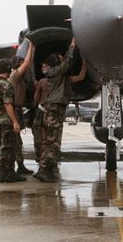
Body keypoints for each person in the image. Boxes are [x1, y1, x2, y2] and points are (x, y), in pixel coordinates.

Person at [35, 39, 87, 182]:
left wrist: (85, 62)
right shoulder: (55, 72)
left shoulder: (59, 76)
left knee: (53, 139)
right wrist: (72, 46)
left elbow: (77, 74)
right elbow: (67, 62)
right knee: (51, 139)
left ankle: (48, 168)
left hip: (56, 107)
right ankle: (44, 170)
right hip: (54, 108)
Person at [0, 58, 26, 183]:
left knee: (4, 146)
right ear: (8, 70)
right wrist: (15, 121)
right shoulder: (5, 84)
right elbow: (8, 104)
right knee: (8, 148)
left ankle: (7, 172)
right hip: (5, 120)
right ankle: (4, 173)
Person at [9, 42, 35, 176]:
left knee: (17, 142)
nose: (24, 65)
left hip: (18, 109)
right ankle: (11, 168)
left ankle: (20, 166)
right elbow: (27, 63)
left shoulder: (19, 78)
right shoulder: (15, 75)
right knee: (14, 141)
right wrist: (31, 46)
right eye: (21, 63)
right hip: (14, 110)